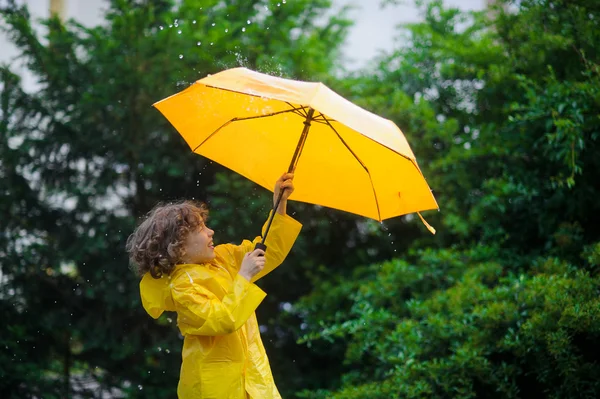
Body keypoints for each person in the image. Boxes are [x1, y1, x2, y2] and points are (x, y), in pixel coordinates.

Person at [126, 173, 302, 399]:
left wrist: (280, 206)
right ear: (179, 247)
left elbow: (269, 252)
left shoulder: (223, 258)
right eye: (200, 229)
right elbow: (222, 320)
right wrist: (244, 275)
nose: (210, 232)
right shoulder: (182, 288)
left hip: (255, 386)